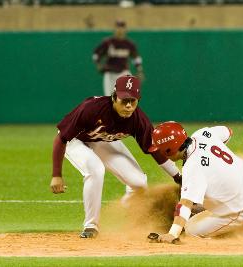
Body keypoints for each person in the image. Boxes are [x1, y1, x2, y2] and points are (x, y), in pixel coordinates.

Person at [50, 76, 181, 238]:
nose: (128, 105)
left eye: (132, 101)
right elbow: (61, 139)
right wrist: (56, 175)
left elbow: (154, 150)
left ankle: (129, 212)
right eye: (124, 100)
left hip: (102, 140)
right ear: (114, 97)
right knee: (95, 169)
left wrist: (178, 176)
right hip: (75, 141)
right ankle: (91, 226)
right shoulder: (92, 109)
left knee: (139, 182)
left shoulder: (138, 120)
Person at [147, 122, 243, 243]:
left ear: (168, 150)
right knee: (197, 205)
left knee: (191, 229)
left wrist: (172, 233)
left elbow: (186, 202)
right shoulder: (202, 134)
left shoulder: (192, 167)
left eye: (160, 150)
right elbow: (228, 131)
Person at [92, 20, 144, 96]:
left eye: (122, 27)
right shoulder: (108, 42)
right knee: (109, 99)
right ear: (114, 29)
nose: (120, 30)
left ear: (125, 29)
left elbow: (136, 59)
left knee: (126, 97)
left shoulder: (129, 44)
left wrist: (139, 70)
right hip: (110, 73)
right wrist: (98, 64)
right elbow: (96, 54)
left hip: (123, 73)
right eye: (118, 27)